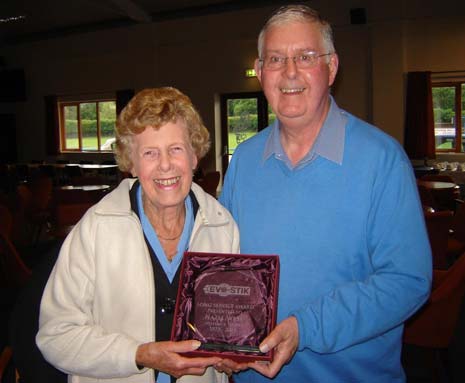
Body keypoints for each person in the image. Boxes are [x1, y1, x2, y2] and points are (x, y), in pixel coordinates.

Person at [218, 5, 432, 382]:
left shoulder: (381, 160)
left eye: (305, 56)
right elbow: (226, 263)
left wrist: (306, 328)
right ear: (260, 70)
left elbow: (407, 281)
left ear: (331, 68)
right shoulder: (244, 161)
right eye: (275, 59)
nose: (289, 72)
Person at [36, 87, 239, 383]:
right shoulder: (95, 229)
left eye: (176, 149)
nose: (166, 164)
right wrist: (138, 354)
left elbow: (226, 328)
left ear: (195, 156)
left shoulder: (222, 228)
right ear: (131, 164)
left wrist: (231, 353)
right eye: (150, 153)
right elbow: (55, 336)